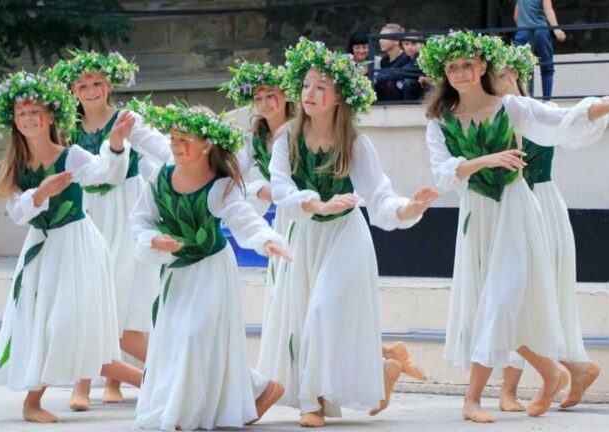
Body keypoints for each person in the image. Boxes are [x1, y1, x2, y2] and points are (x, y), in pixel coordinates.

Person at [419, 30, 609, 423]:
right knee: (489, 305)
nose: (460, 72)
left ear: (481, 67)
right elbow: (443, 174)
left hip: (516, 212)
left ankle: (473, 400)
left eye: (467, 65)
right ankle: (551, 373)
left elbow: (561, 120)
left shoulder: (512, 107)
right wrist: (486, 160)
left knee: (502, 299)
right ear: (445, 72)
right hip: (478, 217)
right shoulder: (439, 123)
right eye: (452, 67)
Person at [265, 37, 440, 427]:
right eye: (307, 85)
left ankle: (312, 401)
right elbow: (281, 189)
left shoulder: (356, 144)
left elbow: (378, 196)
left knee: (324, 308)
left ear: (340, 98)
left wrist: (408, 208)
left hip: (345, 237)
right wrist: (316, 204)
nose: (310, 94)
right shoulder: (286, 139)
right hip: (306, 237)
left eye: (321, 87)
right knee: (305, 317)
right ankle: (378, 372)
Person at [0, 71, 143, 423]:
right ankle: (33, 402)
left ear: (51, 115)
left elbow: (107, 174)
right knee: (44, 323)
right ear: (13, 121)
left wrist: (116, 144)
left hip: (78, 244)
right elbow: (16, 212)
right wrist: (41, 193)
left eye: (35, 112)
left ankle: (150, 385)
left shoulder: (71, 156)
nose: (28, 120)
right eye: (21, 114)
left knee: (68, 323)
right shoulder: (15, 166)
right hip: (41, 249)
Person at [129, 100, 291, 430]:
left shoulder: (219, 187)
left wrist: (266, 239)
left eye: (186, 139)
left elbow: (244, 218)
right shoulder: (160, 177)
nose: (177, 146)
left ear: (207, 145)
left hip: (211, 270)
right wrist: (152, 240)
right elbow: (140, 220)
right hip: (176, 273)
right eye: (174, 139)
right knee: (178, 338)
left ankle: (186, 413)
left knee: (195, 335)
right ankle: (258, 387)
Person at [50, 50, 172, 407]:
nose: (91, 91)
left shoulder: (127, 119)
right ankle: (87, 385)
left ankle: (112, 381)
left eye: (98, 83)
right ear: (73, 90)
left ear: (109, 86)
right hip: (87, 209)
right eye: (83, 85)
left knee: (118, 293)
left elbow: (162, 150)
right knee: (88, 292)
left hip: (125, 207)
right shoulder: (67, 127)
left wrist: (190, 159)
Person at [514, 0, 567, 99]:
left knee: (524, 69)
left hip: (522, 32)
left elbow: (516, 15)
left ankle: (527, 100)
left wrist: (522, 26)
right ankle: (547, 101)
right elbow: (548, 9)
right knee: (547, 69)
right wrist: (556, 29)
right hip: (540, 31)